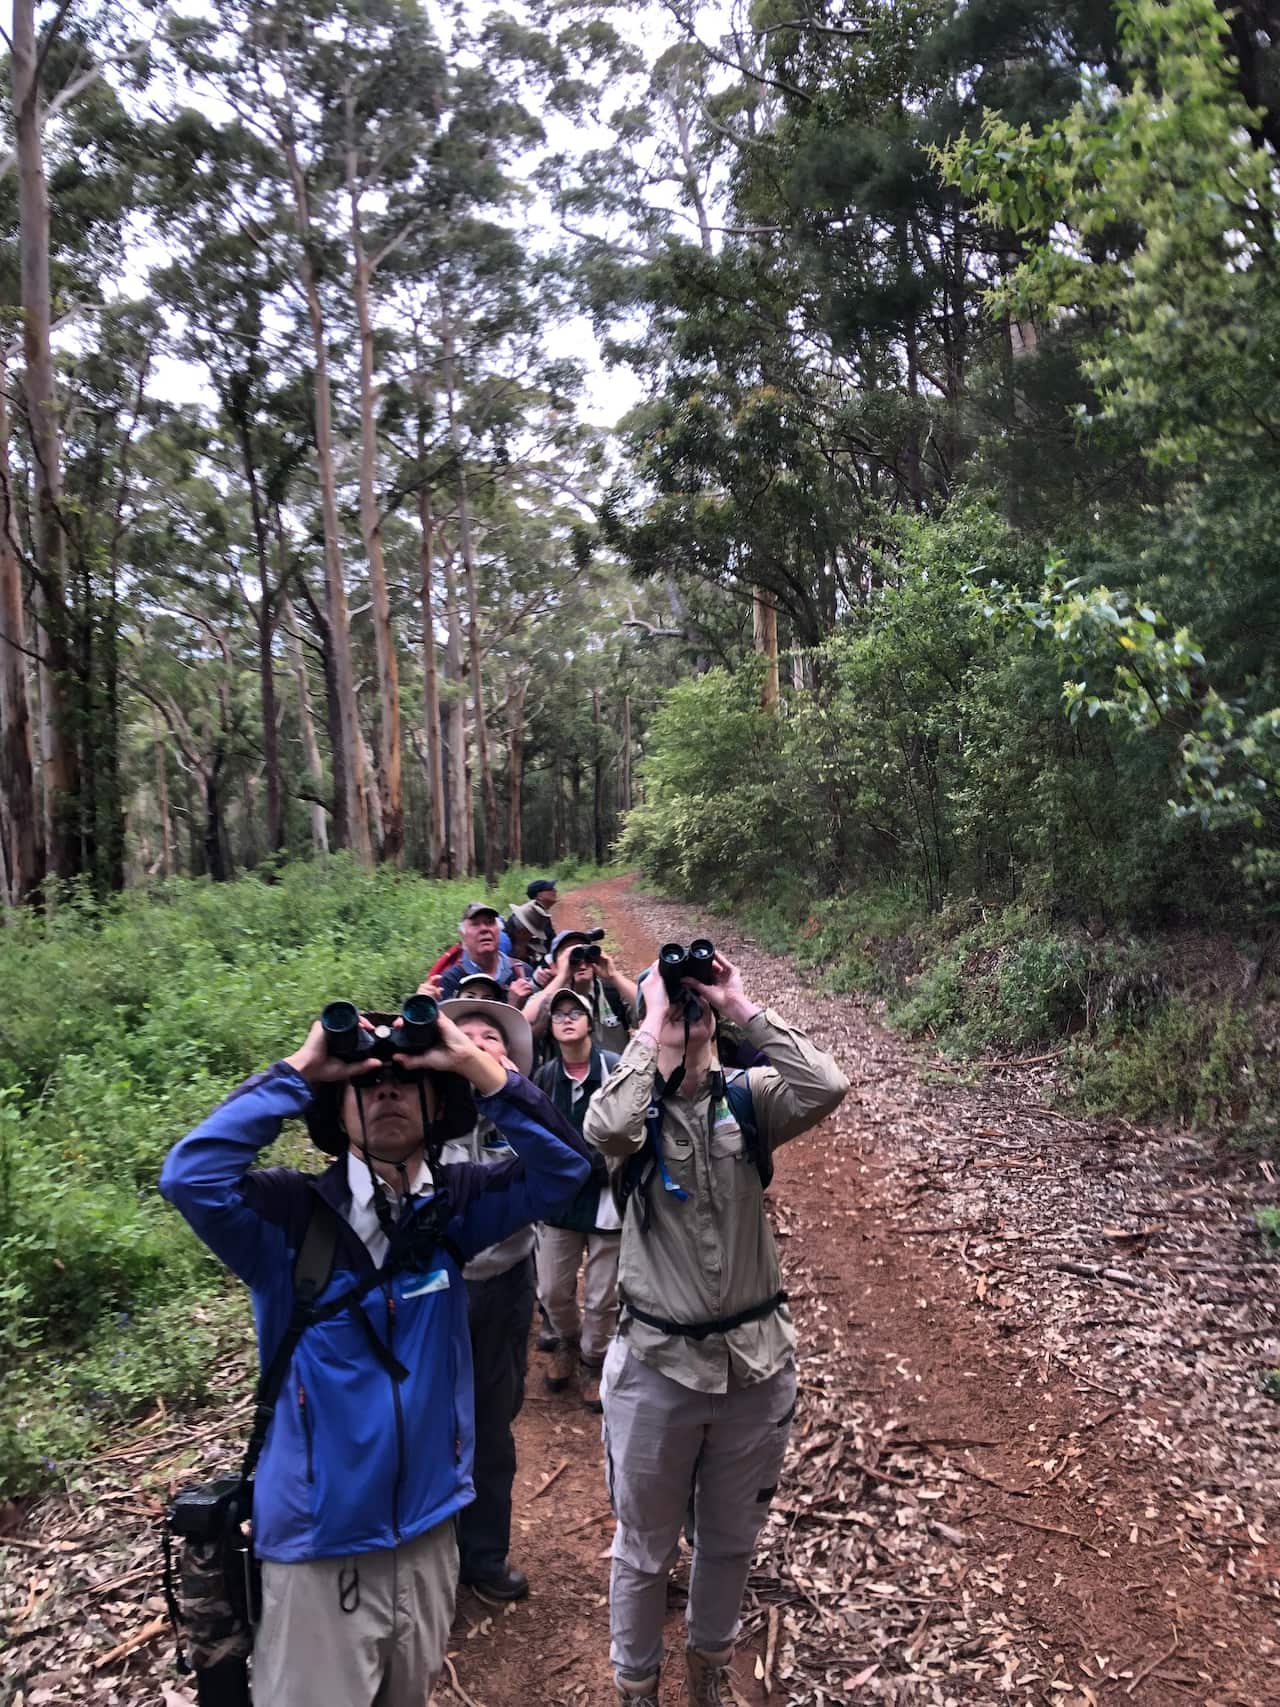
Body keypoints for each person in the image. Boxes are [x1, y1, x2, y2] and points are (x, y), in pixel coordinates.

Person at [159, 1004, 591, 1707]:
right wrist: (302, 1070)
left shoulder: (452, 1207)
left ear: (434, 1099)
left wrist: (470, 1061)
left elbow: (566, 1168)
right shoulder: (289, 1219)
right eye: (365, 1081)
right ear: (338, 1109)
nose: (385, 1089)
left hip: (427, 1534)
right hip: (317, 1547)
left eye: (403, 1078)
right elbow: (189, 1178)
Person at [583, 951, 849, 1707]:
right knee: (643, 1550)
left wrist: (738, 1004)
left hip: (754, 1369)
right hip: (656, 1369)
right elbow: (604, 1126)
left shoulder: (749, 1097)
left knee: (729, 1543)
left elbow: (827, 1085)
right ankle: (637, 1684)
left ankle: (707, 1673)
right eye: (678, 996)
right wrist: (652, 1033)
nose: (687, 1007)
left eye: (690, 999)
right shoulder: (631, 1107)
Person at [437, 997, 538, 1604]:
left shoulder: (522, 1116)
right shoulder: (425, 1114)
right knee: (432, 1426)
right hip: (438, 1290)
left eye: (490, 1038)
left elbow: (562, 1167)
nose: (477, 1043)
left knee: (495, 1424)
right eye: (465, 1036)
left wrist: (510, 1097)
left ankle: (483, 1556)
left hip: (506, 1284)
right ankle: (433, 1560)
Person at [531, 988, 622, 1411]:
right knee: (551, 1289)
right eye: (559, 1014)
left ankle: (592, 1359)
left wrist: (613, 1166)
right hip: (561, 1202)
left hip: (607, 1201)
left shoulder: (615, 1070)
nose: (567, 1019)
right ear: (550, 1027)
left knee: (604, 1295)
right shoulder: (546, 1077)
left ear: (590, 1022)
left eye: (576, 1012)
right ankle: (567, 1341)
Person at [523, 929, 637, 1056]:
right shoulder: (547, 998)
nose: (581, 961)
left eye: (585, 953)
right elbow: (522, 1025)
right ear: (554, 966)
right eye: (571, 956)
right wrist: (561, 976)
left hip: (614, 1073)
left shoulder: (612, 992)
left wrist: (613, 976)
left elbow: (652, 1009)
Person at [436, 902, 535, 1003]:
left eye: (490, 922)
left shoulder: (522, 972)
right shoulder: (451, 980)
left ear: (499, 931)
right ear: (463, 936)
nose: (484, 929)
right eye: (475, 924)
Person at [506, 878, 558, 963]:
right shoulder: (526, 918)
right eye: (550, 889)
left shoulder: (542, 916)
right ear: (539, 896)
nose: (555, 891)